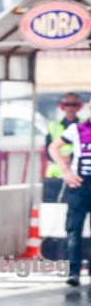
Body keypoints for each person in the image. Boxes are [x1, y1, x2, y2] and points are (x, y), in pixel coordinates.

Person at [49, 118, 91, 286]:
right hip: (80, 185)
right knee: (73, 230)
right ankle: (73, 271)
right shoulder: (77, 129)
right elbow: (53, 147)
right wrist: (66, 171)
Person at [44, 93, 85, 204]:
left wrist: (71, 158)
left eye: (74, 105)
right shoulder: (54, 126)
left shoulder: (84, 126)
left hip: (78, 175)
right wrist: (62, 161)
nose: (70, 108)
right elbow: (48, 149)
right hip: (56, 174)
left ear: (79, 107)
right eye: (68, 104)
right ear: (63, 106)